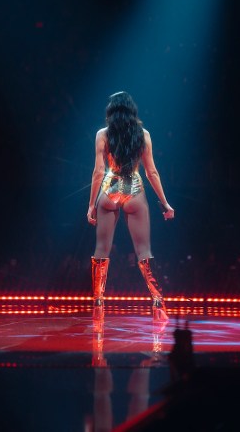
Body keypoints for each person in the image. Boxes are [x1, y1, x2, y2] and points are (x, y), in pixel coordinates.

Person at [87, 91, 175, 329]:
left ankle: (97, 303)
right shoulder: (143, 134)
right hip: (134, 189)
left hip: (110, 188)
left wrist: (91, 204)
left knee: (101, 250)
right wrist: (165, 203)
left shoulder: (102, 134)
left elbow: (98, 172)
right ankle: (158, 304)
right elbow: (151, 172)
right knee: (144, 251)